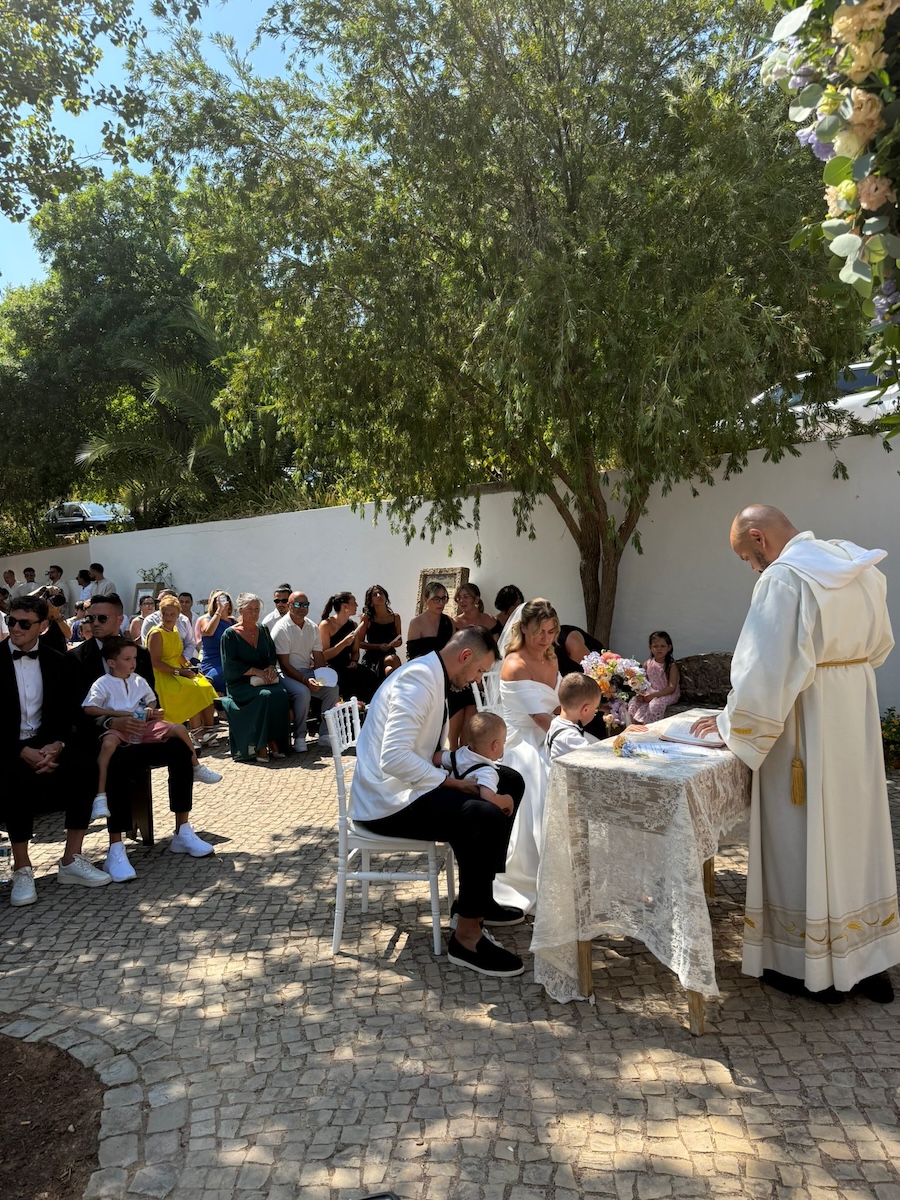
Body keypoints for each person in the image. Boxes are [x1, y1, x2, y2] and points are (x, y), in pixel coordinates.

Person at [691, 504, 899, 1004]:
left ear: (759, 538)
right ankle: (866, 966)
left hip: (803, 726)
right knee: (856, 838)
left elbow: (763, 670)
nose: (752, 567)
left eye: (747, 556)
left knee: (799, 838)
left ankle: (810, 969)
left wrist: (729, 725)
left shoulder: (785, 579)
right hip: (855, 715)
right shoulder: (859, 566)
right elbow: (880, 649)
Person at [352, 627, 527, 977]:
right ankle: (466, 937)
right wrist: (453, 783)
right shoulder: (418, 682)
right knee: (483, 814)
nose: (478, 679)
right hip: (387, 801)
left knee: (509, 780)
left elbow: (427, 752)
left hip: (410, 787)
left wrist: (460, 765)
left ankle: (477, 900)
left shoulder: (435, 675)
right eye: (479, 671)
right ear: (465, 657)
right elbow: (394, 758)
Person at [70, 594, 215, 876]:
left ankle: (182, 829)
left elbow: (151, 697)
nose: (94, 623)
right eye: (90, 618)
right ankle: (116, 847)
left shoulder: (140, 656)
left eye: (101, 618)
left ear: (119, 619)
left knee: (179, 748)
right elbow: (77, 709)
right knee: (116, 761)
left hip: (141, 730)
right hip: (103, 736)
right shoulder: (77, 658)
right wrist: (111, 722)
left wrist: (149, 714)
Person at [0, 594, 111, 905]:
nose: (16, 628)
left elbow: (69, 713)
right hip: (7, 748)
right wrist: (21, 750)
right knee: (14, 778)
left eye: (24, 623)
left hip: (46, 743)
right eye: (11, 621)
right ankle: (22, 868)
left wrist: (56, 745)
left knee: (87, 766)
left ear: (43, 625)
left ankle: (71, 859)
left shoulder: (58, 662)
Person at [83, 636, 221, 822]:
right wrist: (117, 714)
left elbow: (151, 698)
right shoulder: (102, 683)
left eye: (134, 658)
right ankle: (100, 795)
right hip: (120, 727)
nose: (133, 663)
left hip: (142, 724)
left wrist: (150, 708)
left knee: (179, 730)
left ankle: (196, 767)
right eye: (127, 659)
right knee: (108, 744)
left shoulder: (138, 679)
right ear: (112, 663)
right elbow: (89, 708)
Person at [495, 598, 562, 913]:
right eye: (539, 632)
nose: (545, 638)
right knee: (545, 781)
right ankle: (535, 877)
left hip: (551, 733)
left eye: (550, 631)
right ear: (523, 629)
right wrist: (570, 736)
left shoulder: (551, 659)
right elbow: (541, 719)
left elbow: (559, 707)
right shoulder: (515, 664)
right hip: (523, 744)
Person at [220, 592, 291, 763]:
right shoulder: (230, 635)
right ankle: (260, 744)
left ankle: (274, 739)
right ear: (241, 610)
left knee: (281, 694)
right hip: (241, 683)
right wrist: (255, 671)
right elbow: (230, 666)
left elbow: (271, 654)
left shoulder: (263, 629)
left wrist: (270, 667)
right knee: (265, 696)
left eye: (257, 609)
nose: (254, 613)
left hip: (264, 679)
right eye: (250, 609)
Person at [146, 597, 218, 748]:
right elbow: (155, 662)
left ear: (178, 615)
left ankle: (208, 730)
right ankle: (196, 732)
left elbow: (177, 655)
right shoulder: (156, 633)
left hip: (177, 670)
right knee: (191, 689)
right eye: (165, 614)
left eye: (172, 614)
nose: (168, 617)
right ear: (160, 614)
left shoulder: (174, 630)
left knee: (205, 685)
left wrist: (189, 667)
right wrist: (180, 672)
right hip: (163, 675)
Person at [272, 590, 339, 753]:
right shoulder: (281, 629)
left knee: (332, 689)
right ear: (289, 606)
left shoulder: (312, 627)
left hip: (306, 673)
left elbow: (318, 656)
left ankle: (324, 734)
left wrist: (322, 678)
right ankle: (300, 737)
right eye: (298, 604)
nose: (302, 608)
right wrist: (306, 681)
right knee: (303, 693)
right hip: (284, 673)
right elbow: (284, 664)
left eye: (306, 604)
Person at [407, 581, 467, 746]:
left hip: (447, 675)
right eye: (436, 599)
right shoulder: (416, 623)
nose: (441, 603)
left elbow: (455, 651)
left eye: (444, 599)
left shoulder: (448, 622)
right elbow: (412, 656)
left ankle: (458, 750)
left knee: (466, 698)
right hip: (426, 675)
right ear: (426, 600)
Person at [435, 711, 513, 813]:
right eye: (504, 742)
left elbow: (436, 757)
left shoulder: (459, 754)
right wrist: (508, 801)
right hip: (470, 812)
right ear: (495, 746)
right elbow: (488, 798)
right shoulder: (487, 772)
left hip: (449, 802)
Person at [319, 592, 379, 703]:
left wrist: (354, 661)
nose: (356, 605)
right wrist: (343, 643)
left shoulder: (353, 625)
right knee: (346, 680)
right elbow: (323, 656)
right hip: (332, 667)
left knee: (370, 677)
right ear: (345, 606)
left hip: (348, 665)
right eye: (354, 603)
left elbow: (355, 651)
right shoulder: (326, 625)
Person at [546, 673, 603, 761]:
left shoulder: (556, 722)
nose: (595, 713)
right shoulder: (570, 737)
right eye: (595, 709)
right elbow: (597, 760)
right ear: (585, 710)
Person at [628, 631, 681, 724]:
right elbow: (642, 682)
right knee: (634, 701)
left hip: (667, 693)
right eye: (655, 646)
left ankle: (650, 727)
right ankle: (634, 727)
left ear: (669, 647)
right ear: (650, 648)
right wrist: (641, 694)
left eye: (662, 646)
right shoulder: (647, 664)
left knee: (655, 704)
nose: (659, 649)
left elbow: (671, 688)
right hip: (651, 692)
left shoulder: (671, 666)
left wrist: (653, 696)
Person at [357, 584, 403, 680]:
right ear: (370, 601)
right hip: (372, 656)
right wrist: (378, 646)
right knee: (391, 666)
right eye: (375, 595)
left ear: (386, 597)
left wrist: (394, 643)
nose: (379, 596)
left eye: (381, 593)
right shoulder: (367, 618)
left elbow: (400, 640)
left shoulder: (395, 617)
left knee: (391, 665)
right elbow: (359, 643)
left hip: (390, 653)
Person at [196, 590, 236, 694]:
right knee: (225, 675)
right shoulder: (206, 620)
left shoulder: (233, 622)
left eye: (224, 600)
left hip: (231, 662)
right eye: (217, 601)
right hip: (213, 664)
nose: (221, 602)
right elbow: (208, 632)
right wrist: (219, 611)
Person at [141, 589, 196, 659]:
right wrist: (177, 670)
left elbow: (190, 644)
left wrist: (184, 663)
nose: (168, 618)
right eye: (159, 601)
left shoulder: (180, 624)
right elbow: (153, 658)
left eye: (172, 614)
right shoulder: (153, 627)